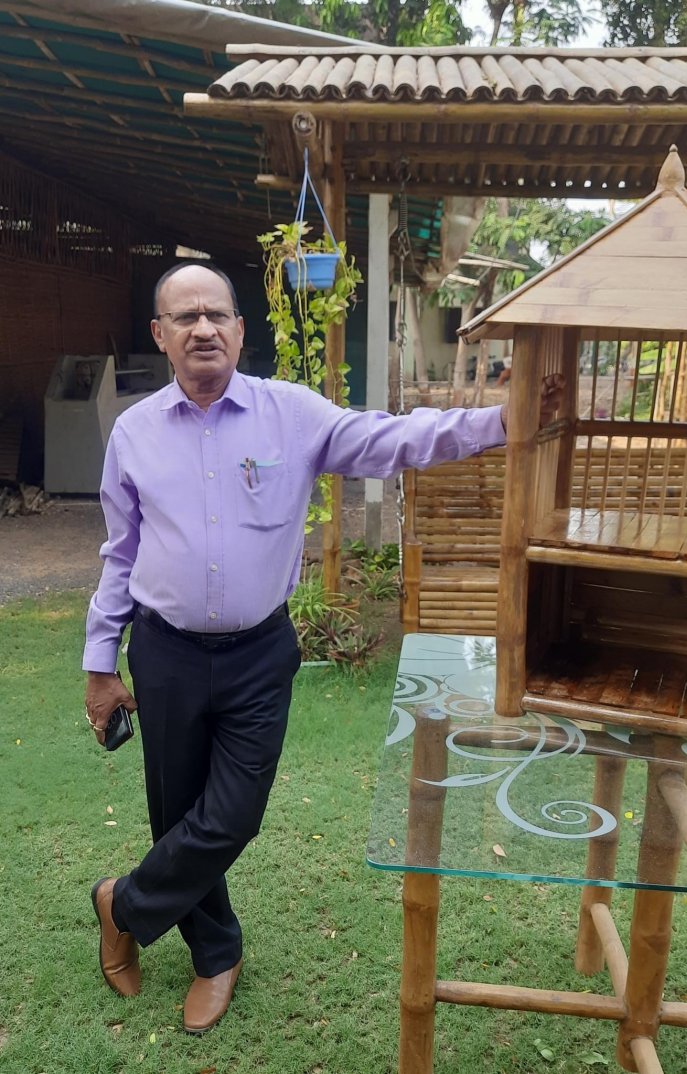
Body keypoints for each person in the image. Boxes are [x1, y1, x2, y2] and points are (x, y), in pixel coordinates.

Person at [83, 261, 563, 1034]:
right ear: (161, 337)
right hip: (165, 652)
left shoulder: (292, 415)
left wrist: (500, 420)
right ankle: (216, 955)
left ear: (241, 330)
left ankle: (123, 904)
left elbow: (396, 438)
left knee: (232, 816)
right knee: (178, 815)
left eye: (217, 314)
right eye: (185, 317)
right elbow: (119, 553)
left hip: (257, 655)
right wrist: (100, 663)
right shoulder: (134, 433)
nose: (203, 328)